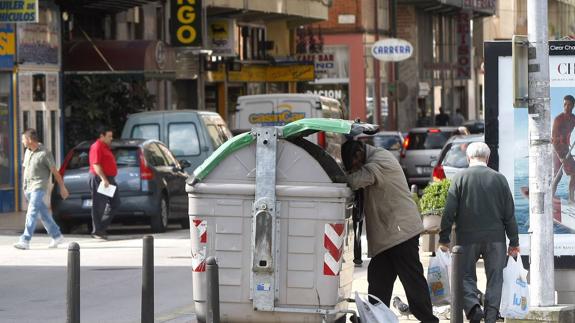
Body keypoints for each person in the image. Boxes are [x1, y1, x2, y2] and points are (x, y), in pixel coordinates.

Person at [342, 140, 439, 323]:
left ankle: (428, 320)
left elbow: (355, 181)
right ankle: (374, 318)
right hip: (389, 234)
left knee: (412, 280)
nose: (355, 168)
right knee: (379, 279)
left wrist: (341, 175)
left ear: (359, 153)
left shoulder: (379, 160)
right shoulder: (374, 157)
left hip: (400, 232)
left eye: (354, 164)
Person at [438, 142, 519, 323]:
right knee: (495, 278)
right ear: (488, 159)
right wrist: (514, 242)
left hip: (466, 238)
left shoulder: (460, 178)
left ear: (468, 158)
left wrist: (444, 239)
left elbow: (449, 211)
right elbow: (509, 214)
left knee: (464, 274)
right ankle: (491, 317)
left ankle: (474, 309)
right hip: (496, 239)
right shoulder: (499, 179)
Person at [13, 128, 69, 250]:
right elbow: (26, 169)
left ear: (29, 139)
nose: (22, 142)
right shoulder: (27, 151)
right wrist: (24, 185)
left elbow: (55, 171)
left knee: (32, 212)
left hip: (38, 187)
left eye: (23, 139)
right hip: (27, 187)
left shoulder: (45, 153)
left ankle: (25, 240)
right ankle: (57, 235)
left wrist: (62, 187)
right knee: (43, 213)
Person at [89, 125, 120, 239]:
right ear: (101, 136)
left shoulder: (105, 146)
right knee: (99, 205)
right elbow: (96, 164)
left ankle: (100, 228)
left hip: (109, 179)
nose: (111, 138)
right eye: (109, 136)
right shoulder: (96, 147)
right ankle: (97, 231)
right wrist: (104, 179)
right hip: (100, 178)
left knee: (116, 203)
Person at [551, 95, 575, 200]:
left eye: (569, 105)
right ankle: (550, 197)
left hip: (566, 149)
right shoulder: (558, 119)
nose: (566, 107)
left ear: (573, 106)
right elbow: (554, 140)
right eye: (565, 104)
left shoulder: (573, 118)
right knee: (558, 175)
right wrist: (560, 157)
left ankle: (571, 199)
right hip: (556, 150)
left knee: (574, 173)